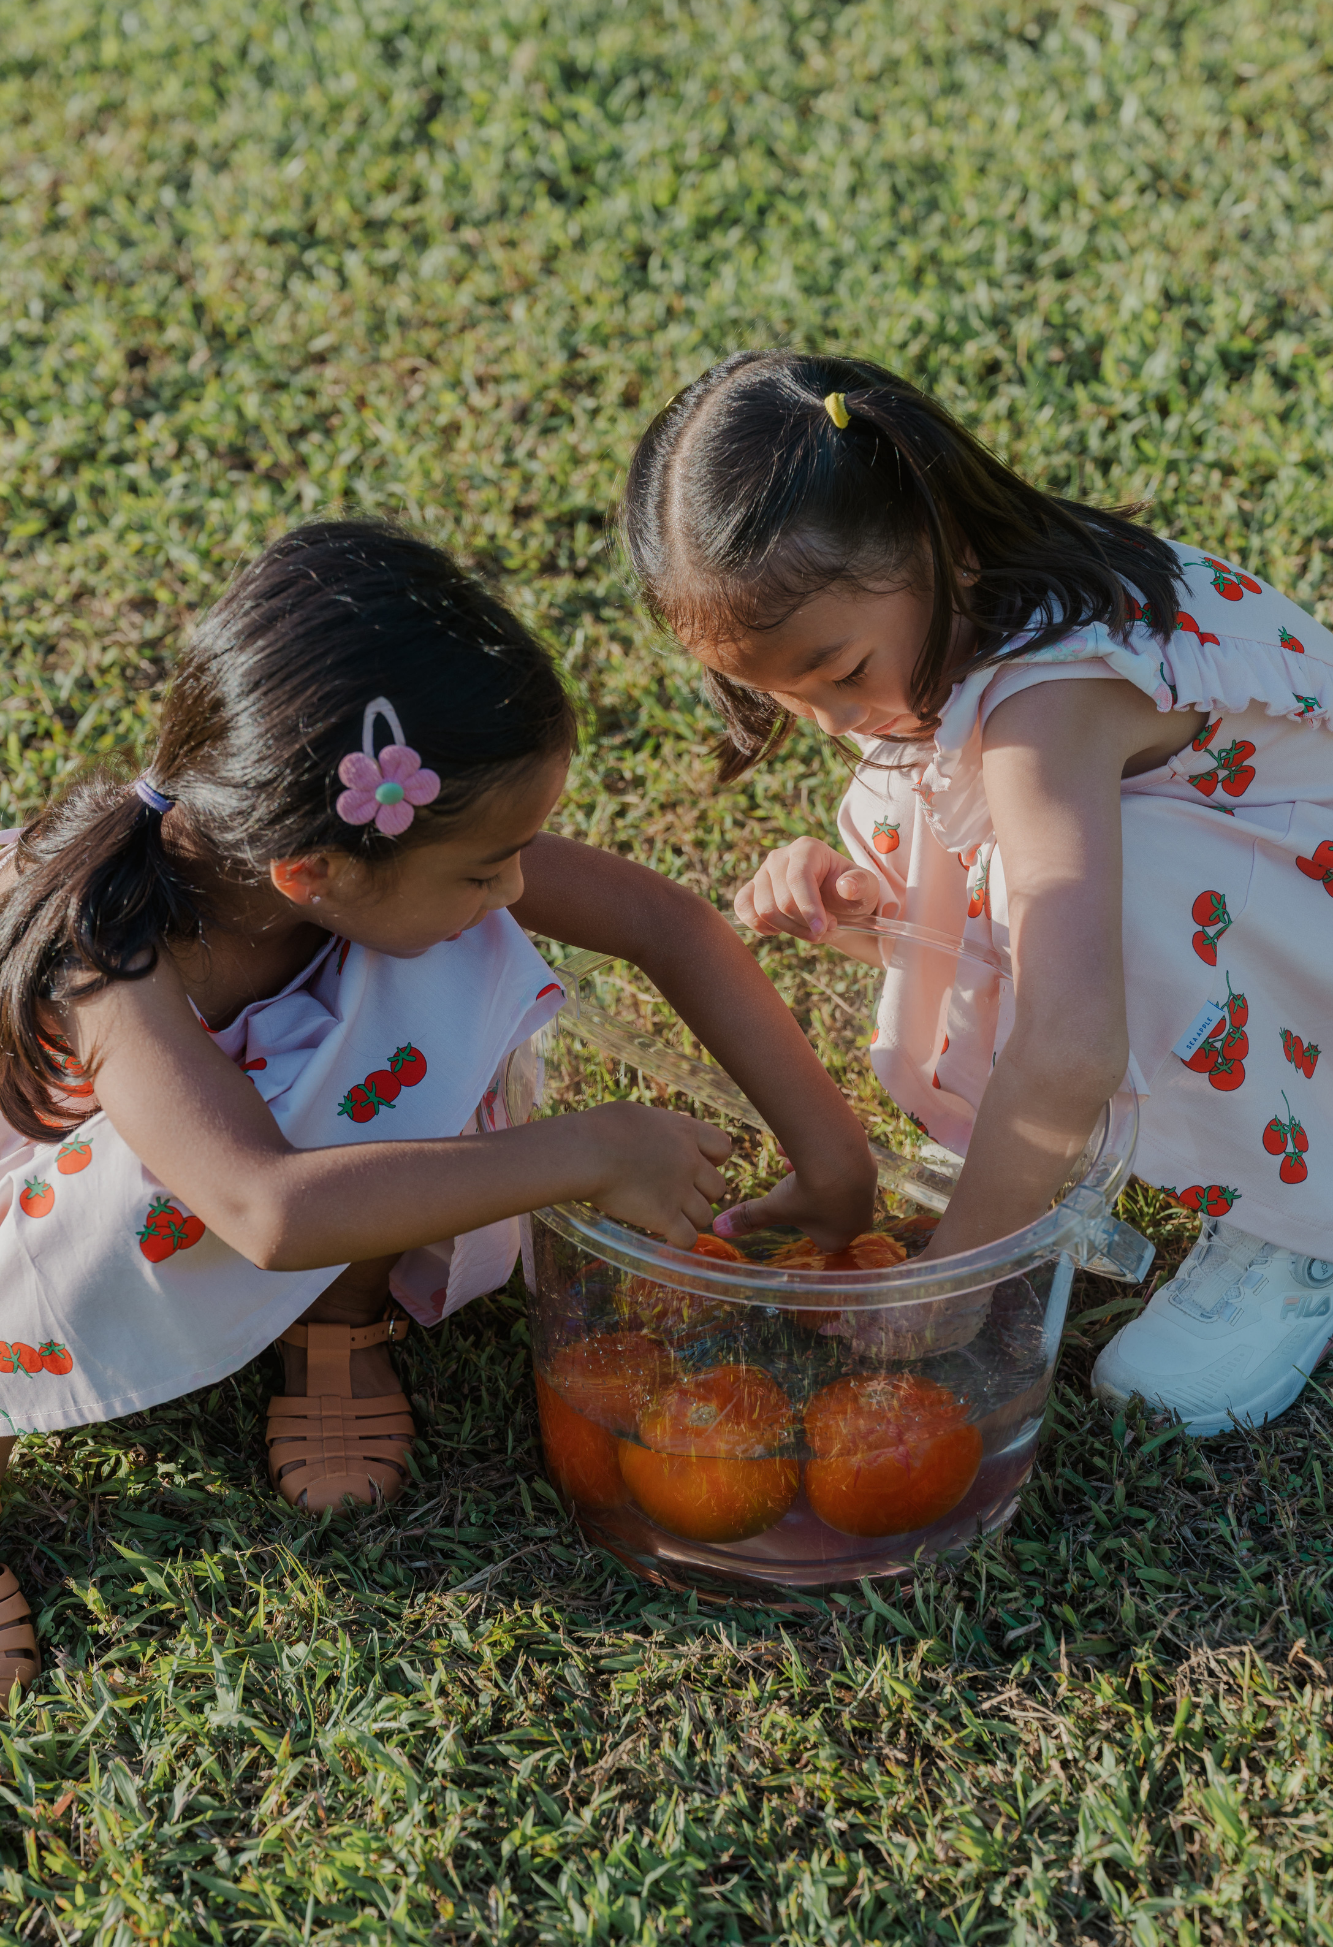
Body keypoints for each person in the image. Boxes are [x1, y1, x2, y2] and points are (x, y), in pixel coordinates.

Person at [0, 516, 876, 1700]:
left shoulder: (340, 860)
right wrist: (588, 1148)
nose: (517, 886)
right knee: (365, 1034)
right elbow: (264, 1209)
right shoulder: (111, 963)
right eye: (484, 865)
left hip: (261, 1135)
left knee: (425, 970)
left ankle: (338, 1319)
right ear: (315, 872)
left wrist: (832, 1158)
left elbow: (666, 921)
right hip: (36, 1188)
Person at [622, 348, 1333, 1448]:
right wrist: (869, 902)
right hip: (1250, 891)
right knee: (909, 798)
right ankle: (1056, 1147)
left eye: (843, 671)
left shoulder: (1053, 703)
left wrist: (958, 1272)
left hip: (1298, 911)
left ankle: (1294, 1214)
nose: (827, 721)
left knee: (1128, 900)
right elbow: (976, 845)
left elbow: (1071, 1033)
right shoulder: (968, 621)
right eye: (780, 695)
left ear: (938, 538)